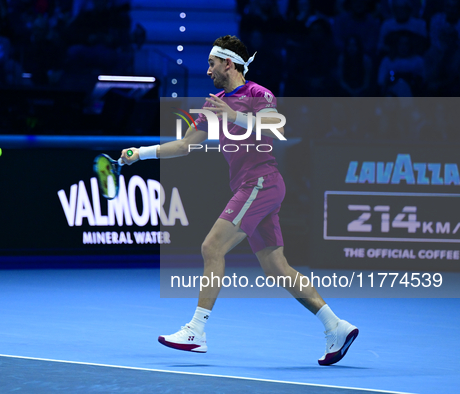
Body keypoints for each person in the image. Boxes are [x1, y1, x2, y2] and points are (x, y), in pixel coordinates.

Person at [120, 35, 359, 366]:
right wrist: (141, 153)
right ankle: (336, 326)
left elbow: (273, 128)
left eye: (211, 64)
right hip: (251, 186)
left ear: (228, 64)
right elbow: (186, 145)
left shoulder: (259, 94)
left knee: (211, 247)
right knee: (277, 267)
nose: (207, 71)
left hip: (261, 182)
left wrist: (231, 116)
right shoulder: (215, 102)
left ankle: (197, 331)